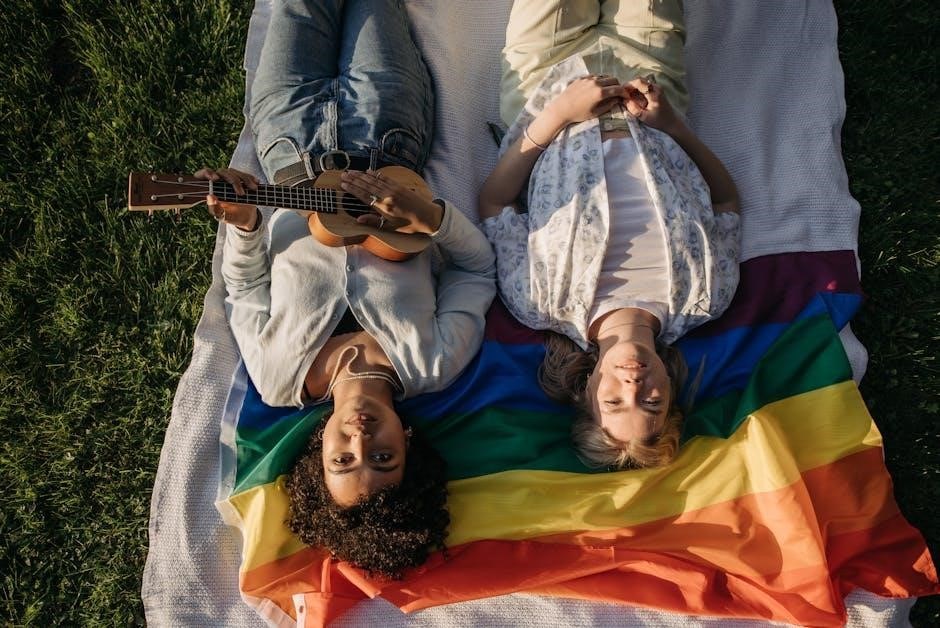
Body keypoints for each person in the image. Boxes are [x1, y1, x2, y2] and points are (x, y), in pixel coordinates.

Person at [201, 0, 496, 578]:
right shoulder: (434, 362)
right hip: (390, 138)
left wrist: (245, 224)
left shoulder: (279, 378)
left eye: (343, 460)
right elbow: (477, 271)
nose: (361, 440)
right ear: (408, 446)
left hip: (286, 147)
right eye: (383, 458)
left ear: (319, 454)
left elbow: (245, 286)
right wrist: (430, 218)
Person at [478, 0, 740, 470]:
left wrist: (559, 113)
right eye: (652, 403)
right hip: (649, 87)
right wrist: (673, 125)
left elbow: (495, 204)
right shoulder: (707, 296)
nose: (634, 386)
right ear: (671, 391)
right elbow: (725, 204)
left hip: (546, 87)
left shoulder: (539, 303)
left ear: (587, 390)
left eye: (615, 402)